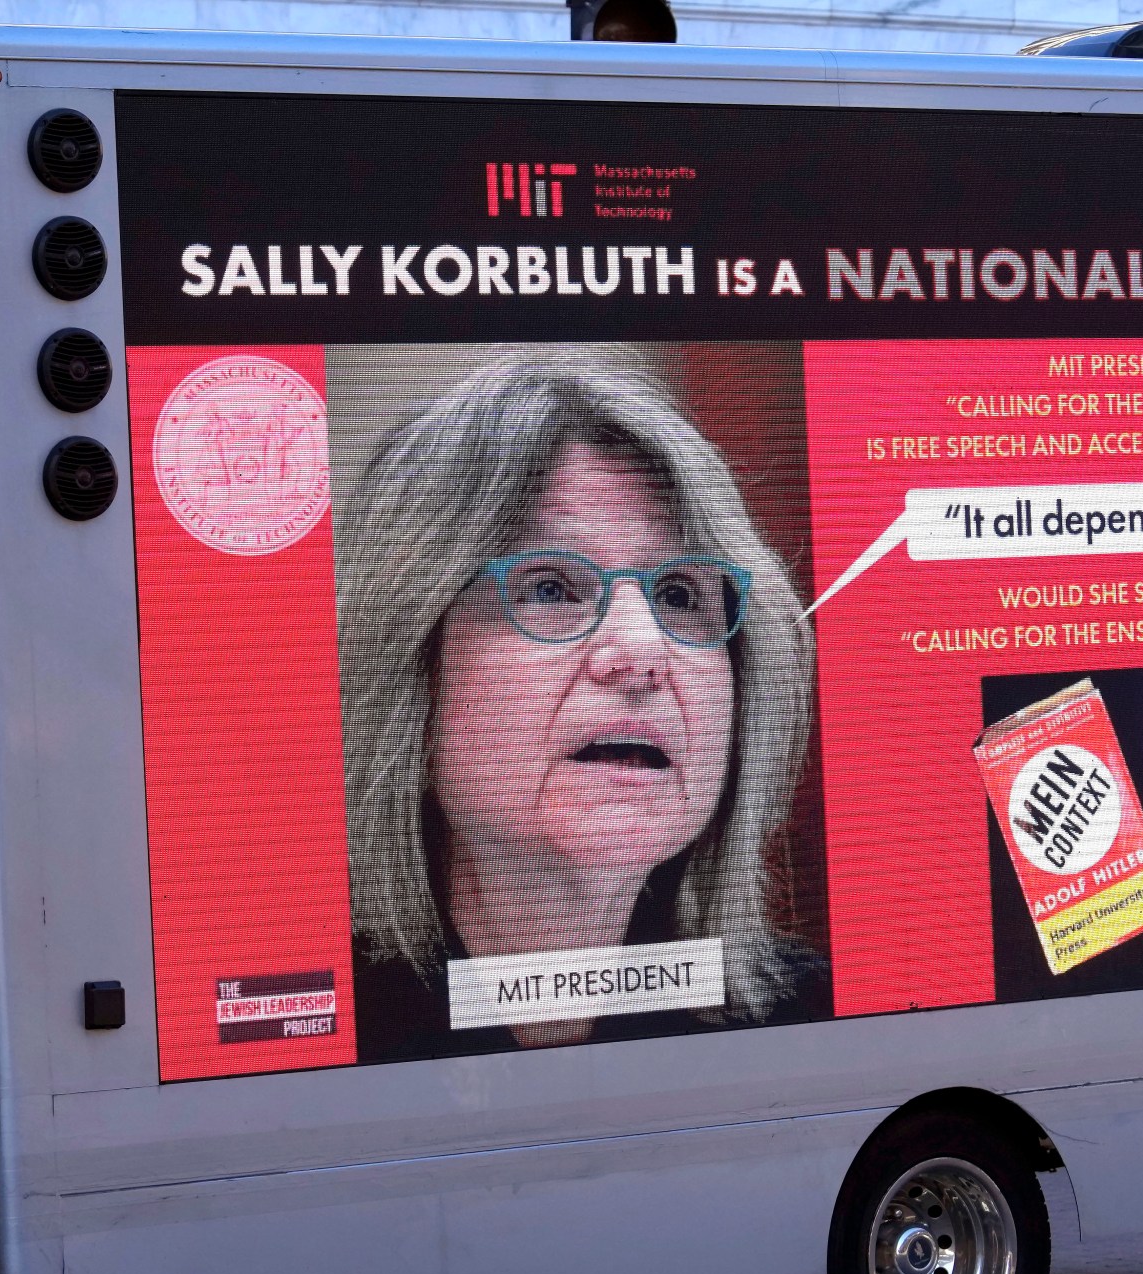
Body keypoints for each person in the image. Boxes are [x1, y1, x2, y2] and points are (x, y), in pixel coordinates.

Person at [338, 359, 823, 1062]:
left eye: (682, 595)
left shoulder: (806, 1021)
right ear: (409, 673)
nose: (641, 651)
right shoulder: (301, 1028)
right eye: (550, 587)